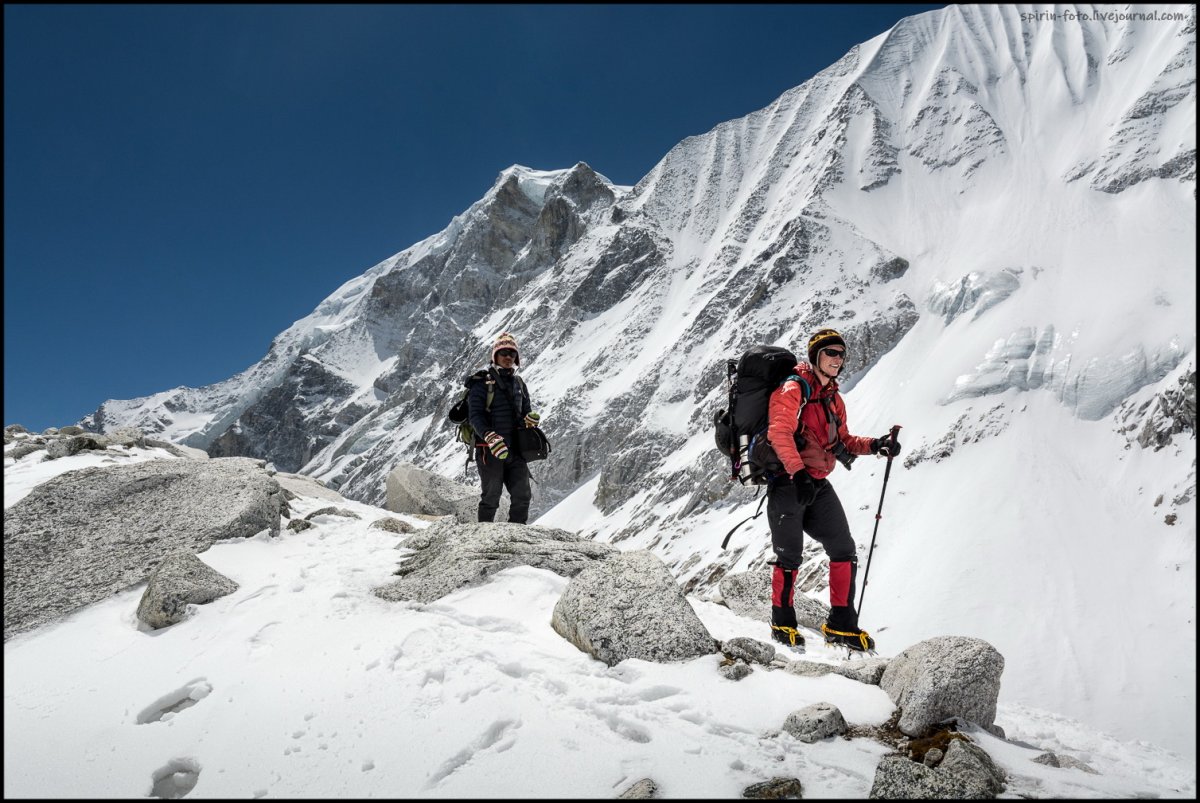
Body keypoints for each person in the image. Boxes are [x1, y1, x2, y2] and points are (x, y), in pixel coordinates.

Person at [764, 328, 901, 652]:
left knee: (843, 549)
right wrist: (798, 475)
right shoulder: (793, 389)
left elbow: (843, 442)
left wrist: (876, 445)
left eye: (841, 353)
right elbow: (779, 433)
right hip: (788, 483)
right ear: (815, 356)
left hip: (816, 483)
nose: (837, 359)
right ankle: (782, 622)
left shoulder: (833, 399)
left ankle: (840, 624)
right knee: (789, 556)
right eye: (831, 352)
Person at [467, 332, 540, 524]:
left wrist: (529, 421)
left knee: (522, 496)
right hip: (489, 450)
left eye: (512, 353)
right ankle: (483, 539)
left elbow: (526, 411)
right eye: (504, 352)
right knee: (491, 497)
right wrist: (490, 437)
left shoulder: (519, 383)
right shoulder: (481, 383)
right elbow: (474, 416)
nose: (508, 357)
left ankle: (516, 539)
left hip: (515, 449)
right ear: (495, 356)